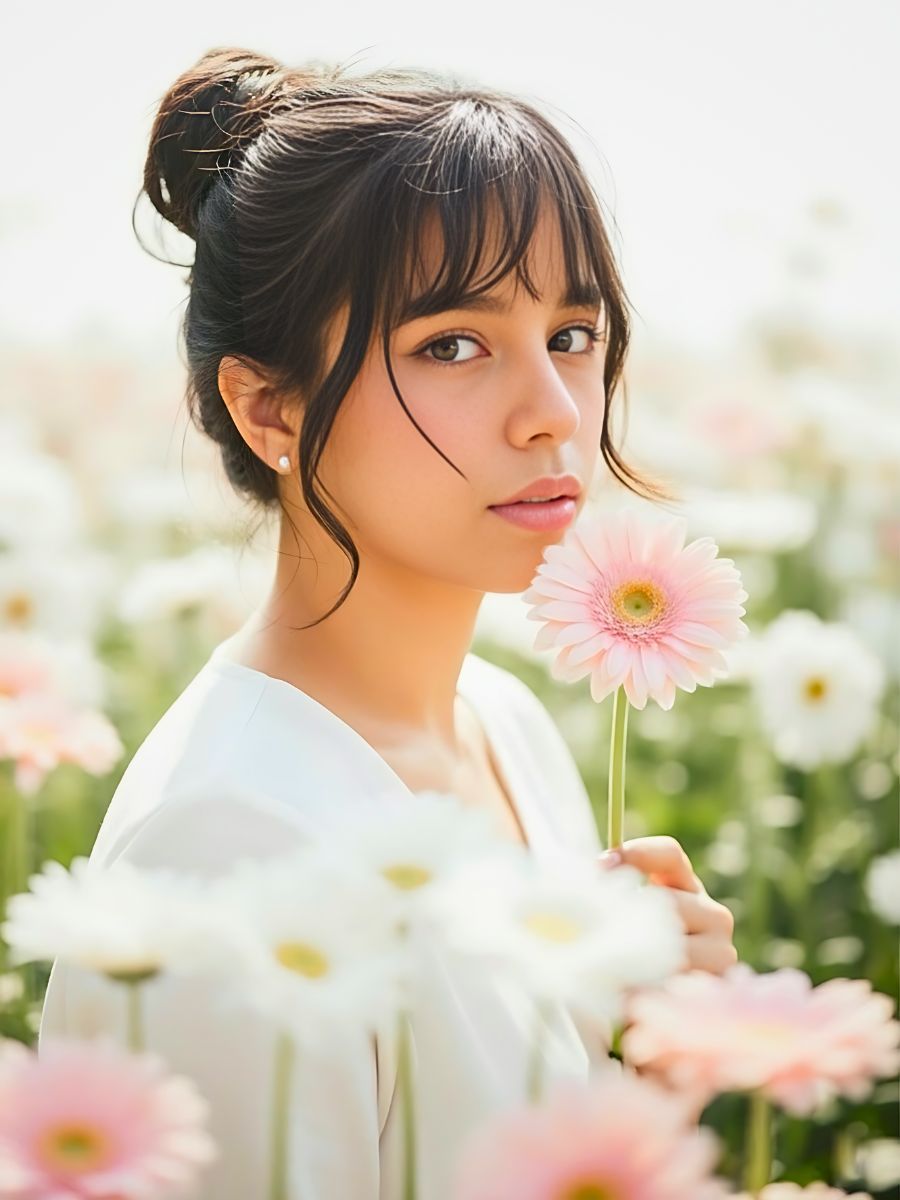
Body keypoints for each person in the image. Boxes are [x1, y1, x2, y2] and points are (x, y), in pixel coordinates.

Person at [38, 46, 737, 1198]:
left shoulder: (503, 726)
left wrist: (655, 1081)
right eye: (451, 344)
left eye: (572, 333)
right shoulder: (223, 850)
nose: (554, 413)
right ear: (269, 405)